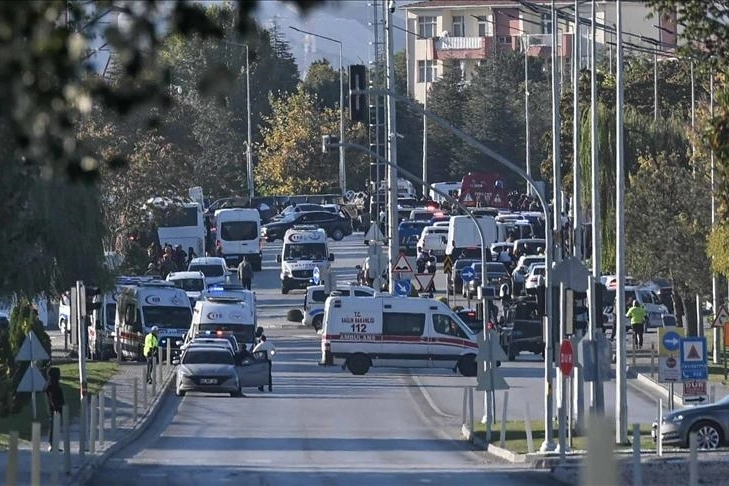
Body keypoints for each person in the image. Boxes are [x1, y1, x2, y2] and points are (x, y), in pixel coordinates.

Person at [44, 367, 64, 452]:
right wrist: (56, 407)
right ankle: (52, 444)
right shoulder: (52, 385)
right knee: (53, 426)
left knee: (55, 426)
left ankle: (54, 444)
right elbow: (53, 398)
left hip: (56, 408)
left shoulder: (53, 384)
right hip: (55, 409)